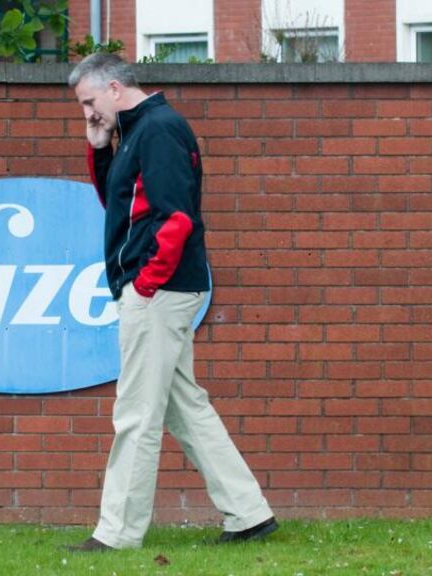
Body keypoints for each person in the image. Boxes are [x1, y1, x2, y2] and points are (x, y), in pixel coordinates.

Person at [66, 53, 278, 552]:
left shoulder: (158, 130)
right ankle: (249, 514)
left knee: (135, 413)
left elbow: (176, 218)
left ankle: (116, 534)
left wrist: (144, 286)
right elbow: (122, 205)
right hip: (161, 289)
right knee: (185, 408)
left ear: (115, 88)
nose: (88, 114)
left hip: (159, 292)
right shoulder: (138, 131)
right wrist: (98, 148)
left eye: (90, 103)